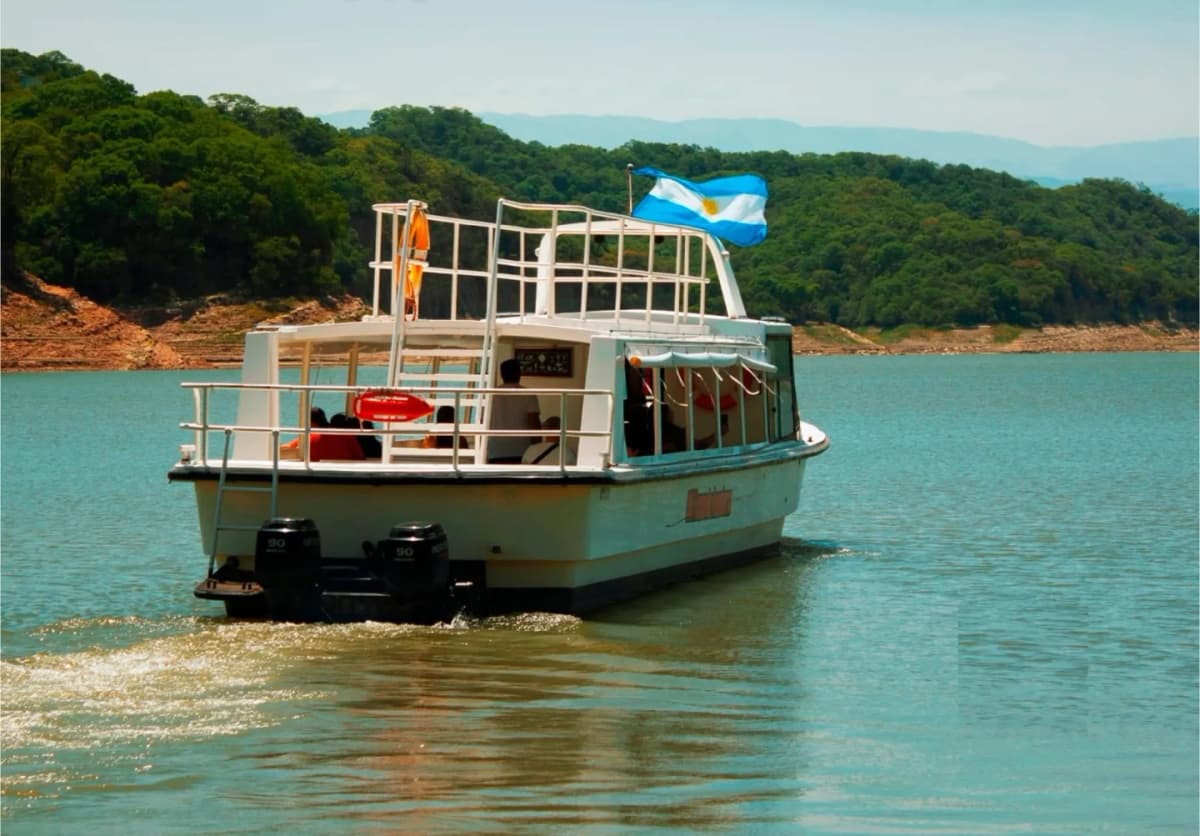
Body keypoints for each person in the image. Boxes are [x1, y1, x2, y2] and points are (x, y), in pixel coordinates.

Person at [487, 357, 540, 463]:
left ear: (502, 375)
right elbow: (533, 422)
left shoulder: (490, 395)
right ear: (519, 374)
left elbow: (483, 421)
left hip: (495, 450)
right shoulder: (529, 394)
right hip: (522, 450)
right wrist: (537, 448)